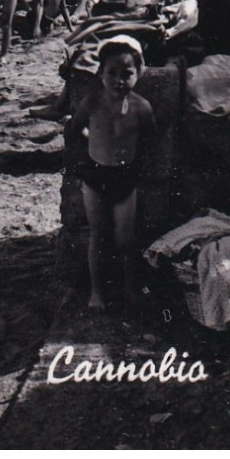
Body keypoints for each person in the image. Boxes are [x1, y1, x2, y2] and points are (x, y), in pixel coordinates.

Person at [72, 35, 155, 309]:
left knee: (125, 240)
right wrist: (89, 146)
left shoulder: (142, 108)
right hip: (95, 176)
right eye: (113, 73)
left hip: (125, 178)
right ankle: (97, 293)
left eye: (127, 73)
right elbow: (74, 128)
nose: (120, 80)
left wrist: (137, 167)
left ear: (138, 74)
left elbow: (148, 141)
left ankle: (130, 287)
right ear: (101, 74)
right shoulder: (92, 102)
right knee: (97, 233)